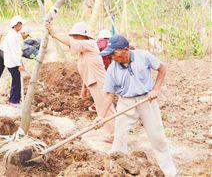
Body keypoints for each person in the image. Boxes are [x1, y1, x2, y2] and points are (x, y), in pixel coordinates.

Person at [95, 35, 177, 177]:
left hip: (146, 100)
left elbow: (162, 68)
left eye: (114, 53)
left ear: (125, 50)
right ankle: (117, 171)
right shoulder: (112, 70)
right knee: (119, 137)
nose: (111, 57)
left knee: (157, 136)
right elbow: (109, 95)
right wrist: (100, 116)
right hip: (125, 102)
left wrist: (156, 89)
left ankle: (170, 172)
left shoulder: (143, 56)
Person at [47, 21, 115, 142]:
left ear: (84, 36)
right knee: (101, 108)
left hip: (100, 82)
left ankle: (115, 134)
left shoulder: (89, 44)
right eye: (73, 36)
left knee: (107, 108)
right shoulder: (82, 51)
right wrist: (84, 87)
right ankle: (111, 133)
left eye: (76, 36)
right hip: (93, 83)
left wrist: (53, 34)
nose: (74, 38)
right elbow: (86, 70)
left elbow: (69, 42)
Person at [0, 16, 26, 99]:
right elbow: (14, 52)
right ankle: (14, 98)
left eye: (21, 24)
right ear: (15, 25)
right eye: (20, 24)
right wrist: (19, 64)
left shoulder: (15, 33)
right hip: (4, 52)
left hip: (1, 51)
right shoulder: (13, 34)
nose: (21, 26)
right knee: (15, 73)